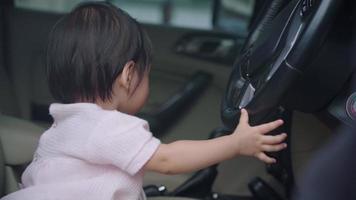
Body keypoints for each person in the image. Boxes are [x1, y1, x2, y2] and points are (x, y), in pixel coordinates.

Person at [1, 2, 287, 200]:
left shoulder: (63, 126)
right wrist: (237, 143)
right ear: (128, 76)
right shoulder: (109, 126)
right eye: (145, 75)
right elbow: (168, 160)